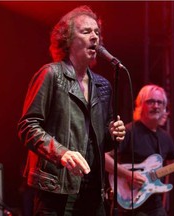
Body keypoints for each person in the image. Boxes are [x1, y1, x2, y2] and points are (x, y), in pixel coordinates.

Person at [17, 5, 125, 216]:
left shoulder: (102, 86)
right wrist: (62, 153)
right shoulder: (50, 75)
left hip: (93, 191)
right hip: (56, 189)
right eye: (86, 31)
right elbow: (27, 126)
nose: (94, 37)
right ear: (67, 40)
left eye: (97, 32)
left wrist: (114, 135)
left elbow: (104, 141)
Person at [105, 84, 174, 216]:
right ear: (141, 105)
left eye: (160, 102)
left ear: (165, 107)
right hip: (129, 204)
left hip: (154, 205)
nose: (156, 106)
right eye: (151, 101)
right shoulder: (129, 131)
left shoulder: (165, 137)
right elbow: (104, 157)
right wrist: (128, 174)